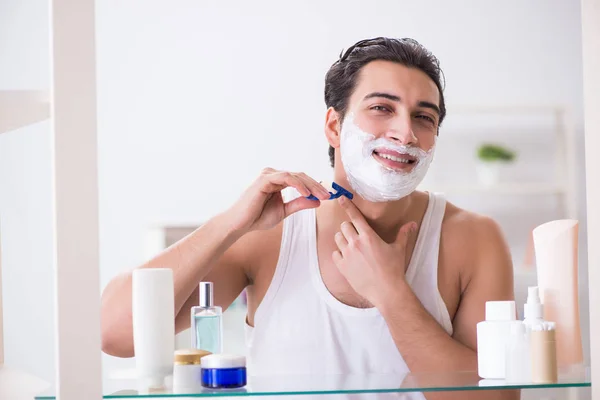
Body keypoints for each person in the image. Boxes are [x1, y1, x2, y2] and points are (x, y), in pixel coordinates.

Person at [100, 37, 515, 399]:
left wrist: (391, 293)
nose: (405, 133)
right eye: (382, 108)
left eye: (424, 117)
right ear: (334, 126)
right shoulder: (270, 235)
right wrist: (230, 226)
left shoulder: (472, 238)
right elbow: (113, 333)